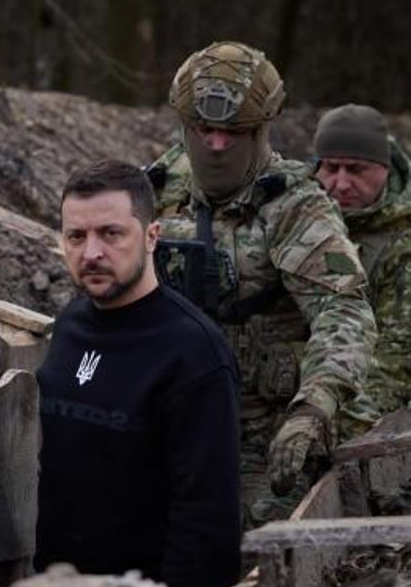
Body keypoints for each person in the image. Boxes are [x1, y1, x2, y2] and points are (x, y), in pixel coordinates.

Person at [147, 41, 376, 525]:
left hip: (260, 434)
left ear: (261, 129)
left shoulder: (294, 207)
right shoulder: (160, 189)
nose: (215, 145)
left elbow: (344, 310)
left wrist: (314, 407)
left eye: (233, 132)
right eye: (204, 129)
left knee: (245, 553)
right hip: (166, 418)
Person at [34, 159, 242, 587]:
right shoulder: (69, 327)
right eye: (76, 237)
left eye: (111, 233)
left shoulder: (192, 354)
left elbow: (207, 512)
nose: (92, 253)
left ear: (151, 236)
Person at [312, 104, 411, 434]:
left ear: (384, 168)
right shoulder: (296, 222)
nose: (340, 183)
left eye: (355, 170)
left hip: (360, 412)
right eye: (331, 168)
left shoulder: (401, 241)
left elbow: (397, 362)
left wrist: (332, 429)